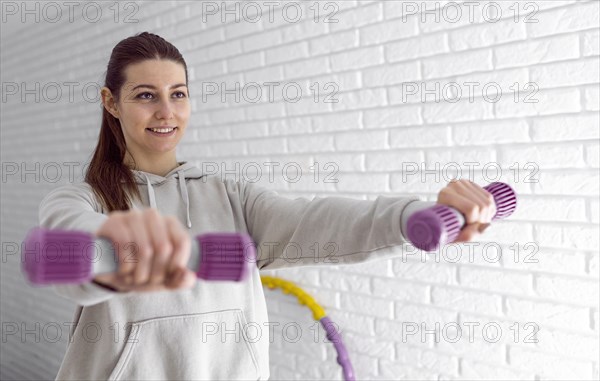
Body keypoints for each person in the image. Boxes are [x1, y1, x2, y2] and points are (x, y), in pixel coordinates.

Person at [38, 32, 495, 380]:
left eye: (178, 93)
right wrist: (118, 247)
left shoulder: (233, 198)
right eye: (145, 95)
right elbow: (70, 249)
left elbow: (313, 221)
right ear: (110, 103)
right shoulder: (82, 199)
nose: (166, 112)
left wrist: (411, 216)